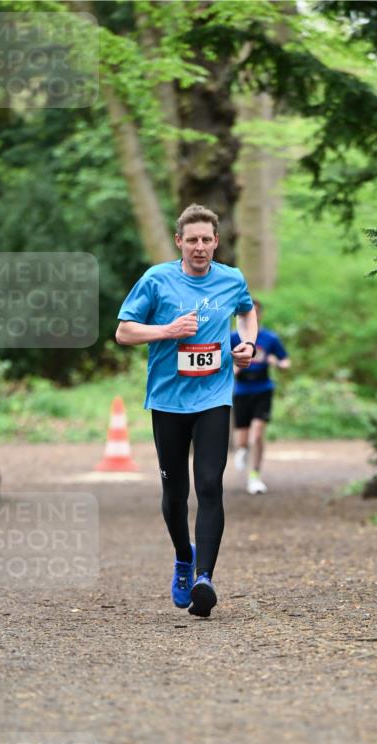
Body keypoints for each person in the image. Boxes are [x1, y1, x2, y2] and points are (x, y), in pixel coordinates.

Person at [115, 204, 257, 618]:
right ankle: (183, 556)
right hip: (168, 401)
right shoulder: (156, 279)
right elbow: (123, 331)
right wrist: (167, 330)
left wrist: (247, 344)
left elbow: (247, 311)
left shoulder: (231, 279)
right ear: (179, 241)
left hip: (214, 397)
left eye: (206, 240)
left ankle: (204, 579)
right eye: (191, 240)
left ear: (216, 242)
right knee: (175, 494)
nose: (199, 247)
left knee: (210, 485)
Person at [230, 300, 290, 494]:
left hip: (263, 390)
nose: (251, 316)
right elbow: (223, 363)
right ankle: (241, 451)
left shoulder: (270, 338)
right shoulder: (232, 337)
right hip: (241, 391)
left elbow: (286, 362)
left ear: (259, 315)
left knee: (256, 435)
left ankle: (255, 476)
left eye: (255, 312)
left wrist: (276, 363)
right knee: (241, 441)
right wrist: (234, 369)